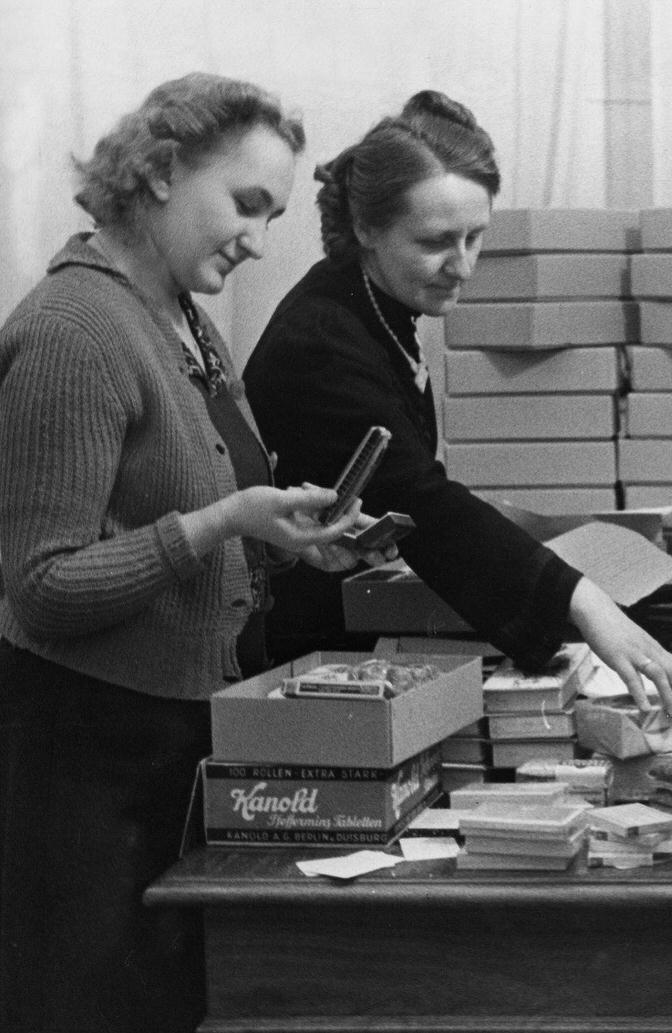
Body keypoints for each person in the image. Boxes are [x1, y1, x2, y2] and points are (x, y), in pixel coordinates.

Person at [0, 73, 388, 1033]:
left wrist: (279, 541)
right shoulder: (72, 330)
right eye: (246, 203)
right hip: (87, 769)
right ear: (162, 171)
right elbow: (41, 586)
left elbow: (180, 538)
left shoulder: (186, 322)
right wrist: (223, 521)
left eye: (274, 215)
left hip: (172, 753)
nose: (258, 238)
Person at [243, 90, 672, 718]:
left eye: (475, 237)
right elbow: (422, 500)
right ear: (366, 228)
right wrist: (585, 602)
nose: (462, 266)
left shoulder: (372, 304)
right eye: (435, 241)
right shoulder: (320, 339)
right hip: (305, 660)